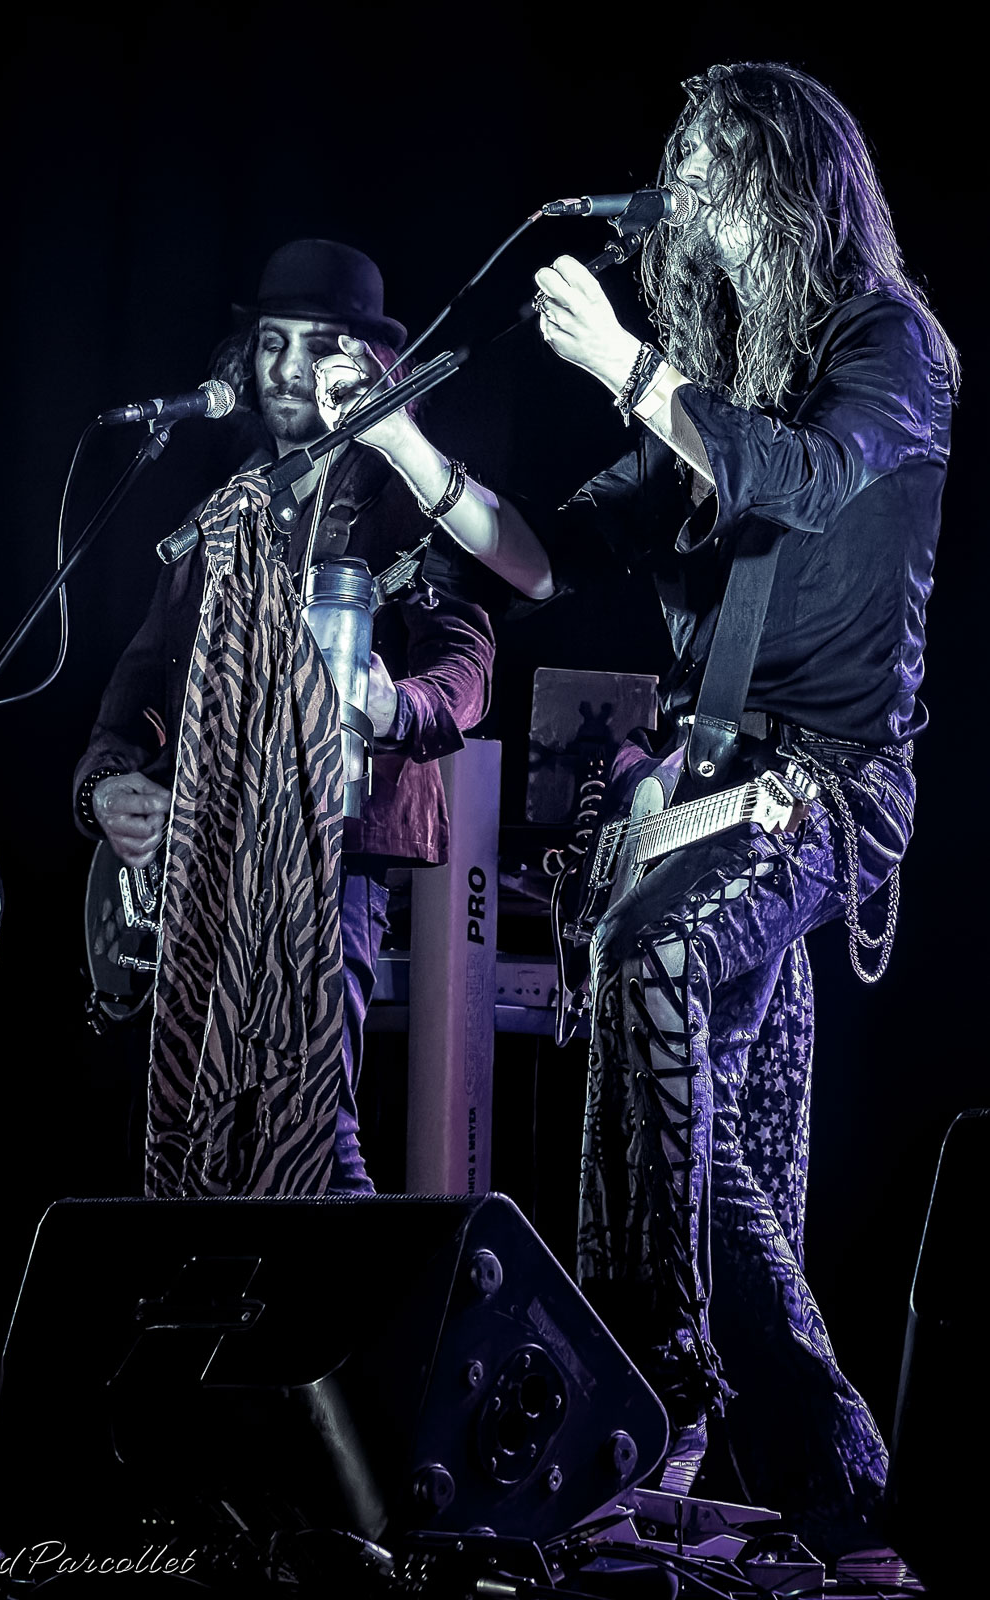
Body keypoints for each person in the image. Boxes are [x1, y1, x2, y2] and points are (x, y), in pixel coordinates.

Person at [312, 63, 957, 1563]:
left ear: (795, 180)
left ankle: (652, 1385)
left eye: (722, 158)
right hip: (707, 795)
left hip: (828, 787)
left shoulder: (887, 345)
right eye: (685, 159)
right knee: (719, 1161)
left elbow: (803, 479)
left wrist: (624, 364)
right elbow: (545, 559)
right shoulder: (706, 384)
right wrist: (403, 447)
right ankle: (839, 1485)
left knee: (648, 960)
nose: (692, 186)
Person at [74, 239, 495, 1196]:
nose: (289, 368)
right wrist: (107, 787)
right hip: (212, 847)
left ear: (366, 361)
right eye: (272, 342)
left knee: (312, 1122)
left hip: (332, 844)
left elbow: (467, 660)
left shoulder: (402, 494)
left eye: (318, 344)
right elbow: (137, 688)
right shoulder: (224, 514)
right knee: (200, 1128)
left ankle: (350, 1291)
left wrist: (396, 705)